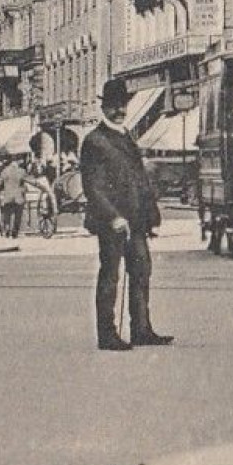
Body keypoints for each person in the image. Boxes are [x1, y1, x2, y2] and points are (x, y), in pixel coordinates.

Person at [81, 107, 171, 352]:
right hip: (112, 222)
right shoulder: (94, 140)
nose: (120, 110)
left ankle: (141, 329)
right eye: (114, 104)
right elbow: (92, 186)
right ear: (104, 108)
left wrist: (150, 214)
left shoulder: (126, 136)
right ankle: (107, 334)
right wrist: (113, 216)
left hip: (137, 220)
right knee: (110, 275)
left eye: (123, 105)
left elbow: (141, 180)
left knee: (141, 272)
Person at [0, 155, 31, 238]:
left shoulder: (5, 171)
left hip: (8, 197)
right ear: (18, 161)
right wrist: (25, 189)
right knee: (18, 216)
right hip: (19, 198)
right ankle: (15, 231)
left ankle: (7, 228)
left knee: (7, 214)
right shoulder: (22, 171)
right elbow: (27, 183)